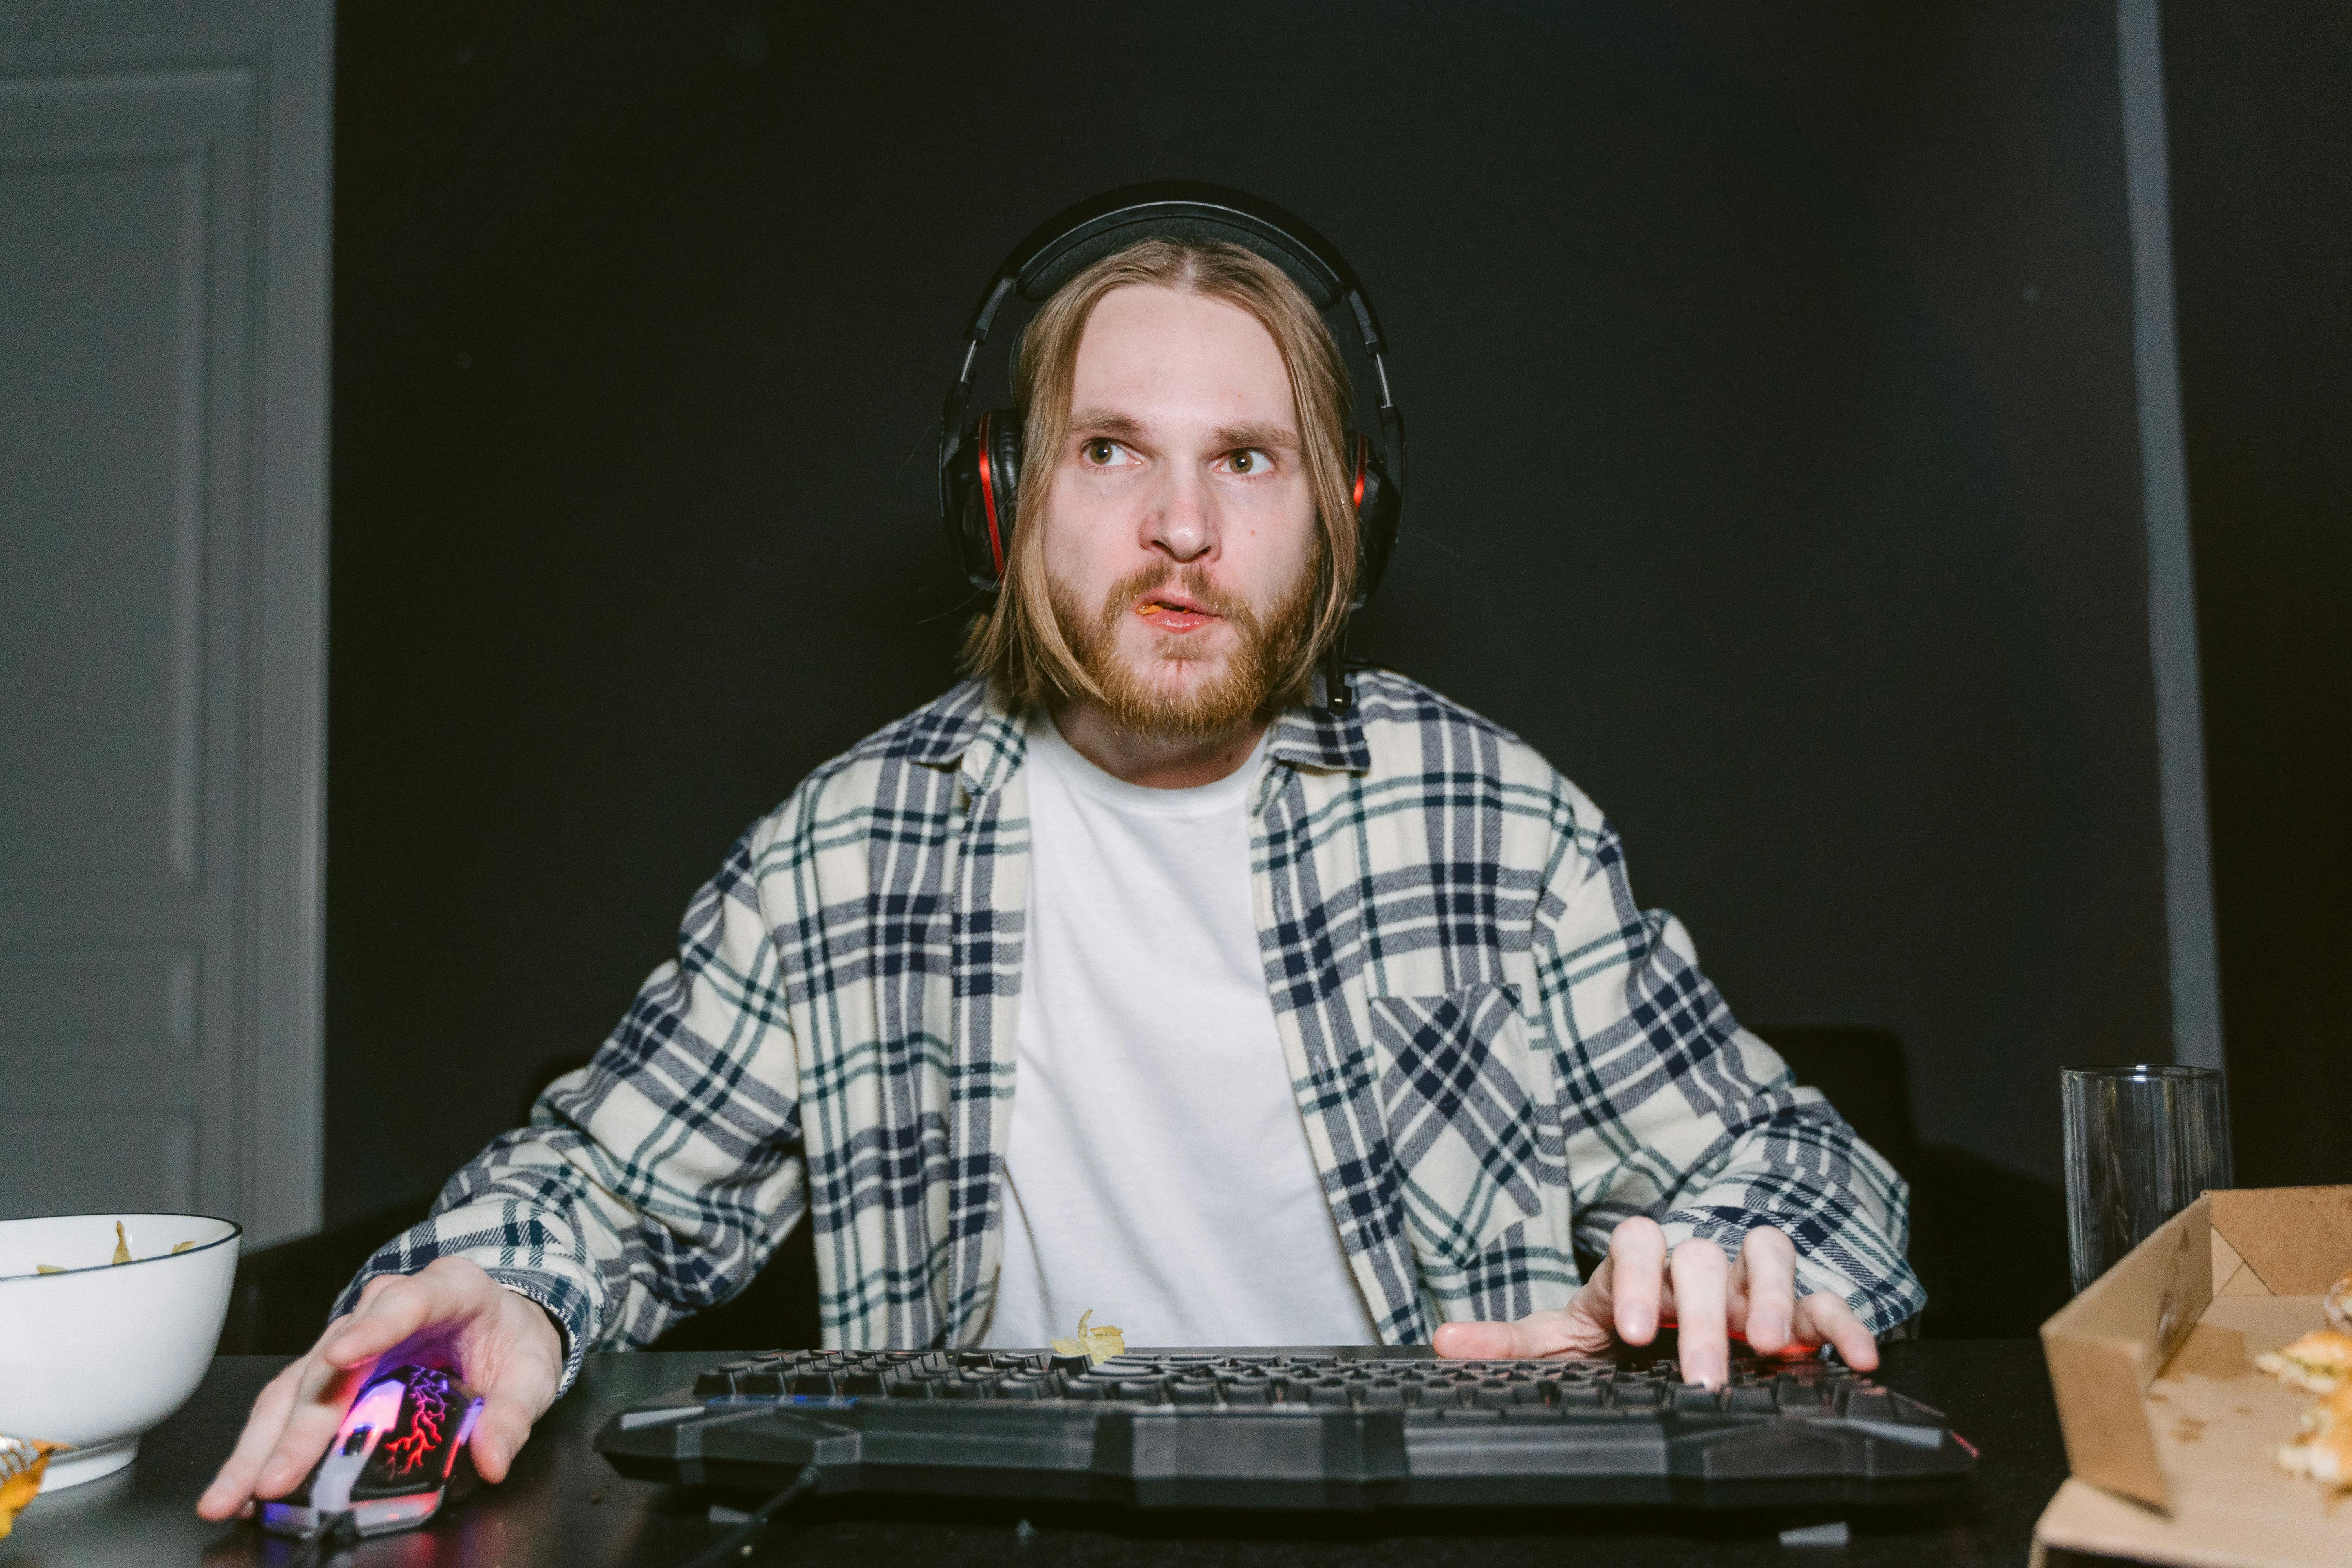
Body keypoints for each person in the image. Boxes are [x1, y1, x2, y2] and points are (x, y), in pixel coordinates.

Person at [200, 207, 1922, 1523]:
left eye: (1244, 460)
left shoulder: (1488, 813)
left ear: (1341, 515)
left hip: (1445, 1531)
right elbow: (602, 1184)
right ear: (1006, 500)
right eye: (1114, 451)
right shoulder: (849, 844)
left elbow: (1809, 1167)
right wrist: (491, 1294)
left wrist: (1726, 1254)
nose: (1182, 528)